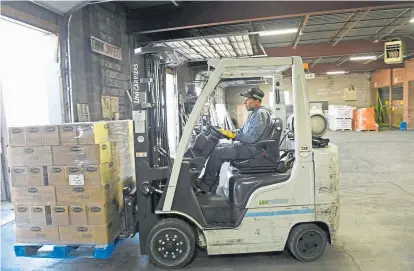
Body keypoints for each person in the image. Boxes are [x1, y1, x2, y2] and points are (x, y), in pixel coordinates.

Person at [195, 87, 272, 194]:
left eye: (248, 99)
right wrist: (227, 132)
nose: (245, 102)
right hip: (248, 146)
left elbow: (251, 138)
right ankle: (210, 185)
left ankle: (206, 184)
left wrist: (232, 135)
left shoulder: (260, 114)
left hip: (252, 149)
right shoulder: (254, 113)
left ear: (257, 101)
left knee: (218, 152)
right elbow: (242, 131)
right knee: (218, 148)